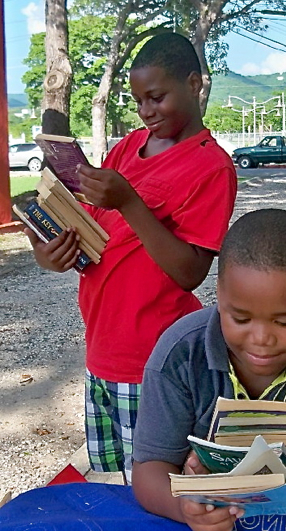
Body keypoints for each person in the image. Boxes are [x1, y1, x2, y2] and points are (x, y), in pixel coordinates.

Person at [25, 32, 237, 483]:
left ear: (195, 84)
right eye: (139, 100)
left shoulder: (210, 166)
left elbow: (189, 272)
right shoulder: (125, 150)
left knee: (156, 484)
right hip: (101, 351)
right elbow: (88, 230)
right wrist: (48, 249)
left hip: (152, 359)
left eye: (157, 97)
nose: (146, 112)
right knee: (110, 484)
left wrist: (130, 202)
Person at [132, 208, 286, 531]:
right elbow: (148, 471)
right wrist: (187, 508)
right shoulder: (181, 354)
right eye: (240, 319)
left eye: (285, 322)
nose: (261, 340)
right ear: (220, 295)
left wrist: (251, 504)